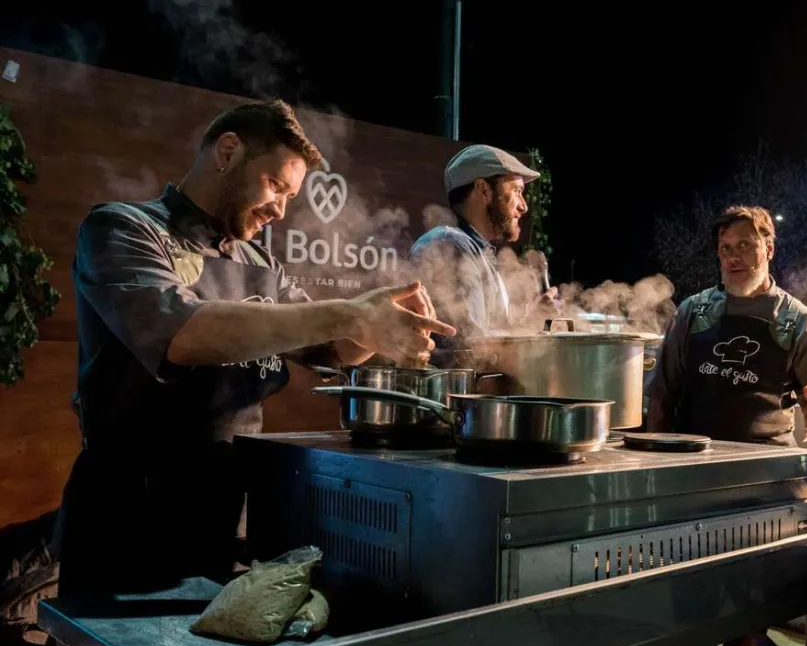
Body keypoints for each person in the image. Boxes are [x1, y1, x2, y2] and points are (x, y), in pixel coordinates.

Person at [53, 99, 456, 602]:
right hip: (126, 519)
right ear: (227, 152)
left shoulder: (257, 259)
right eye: (275, 186)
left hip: (225, 514)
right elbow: (184, 334)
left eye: (290, 196)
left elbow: (331, 346)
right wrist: (351, 311)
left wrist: (381, 326)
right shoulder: (124, 228)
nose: (281, 210)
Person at [646, 205, 807, 446]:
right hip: (693, 458)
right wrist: (653, 456)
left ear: (769, 249)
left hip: (767, 463)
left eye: (744, 245)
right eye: (725, 249)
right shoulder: (693, 311)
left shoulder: (799, 319)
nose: (733, 258)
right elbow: (661, 397)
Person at [408, 144, 557, 367]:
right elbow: (471, 354)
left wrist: (531, 321)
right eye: (516, 191)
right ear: (483, 190)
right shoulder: (451, 246)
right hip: (452, 400)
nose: (524, 207)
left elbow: (489, 343)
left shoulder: (475, 252)